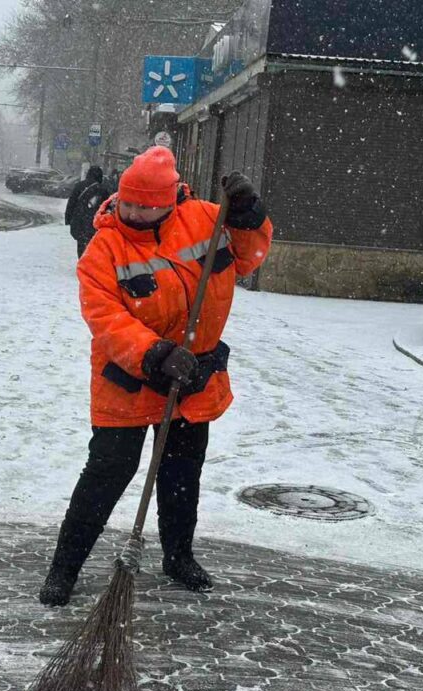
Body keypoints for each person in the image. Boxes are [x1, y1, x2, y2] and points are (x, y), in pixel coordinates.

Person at [39, 147, 274, 607]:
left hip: (193, 378)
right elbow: (104, 317)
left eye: (147, 205)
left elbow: (248, 258)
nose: (135, 212)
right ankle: (63, 569)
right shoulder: (104, 247)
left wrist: (247, 215)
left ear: (171, 200)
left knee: (182, 474)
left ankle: (178, 555)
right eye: (129, 203)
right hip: (127, 379)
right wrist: (155, 353)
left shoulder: (206, 220)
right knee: (107, 473)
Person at [65, 166, 104, 257]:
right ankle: (90, 263)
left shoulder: (79, 186)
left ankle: (82, 263)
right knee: (93, 245)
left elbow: (71, 203)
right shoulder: (102, 189)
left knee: (81, 244)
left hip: (80, 221)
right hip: (94, 223)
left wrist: (68, 218)